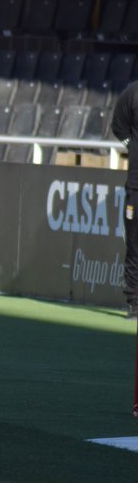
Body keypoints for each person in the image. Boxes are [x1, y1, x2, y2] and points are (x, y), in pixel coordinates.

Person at [110, 82, 138, 319]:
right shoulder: (133, 93)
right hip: (136, 186)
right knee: (135, 246)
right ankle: (134, 302)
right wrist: (134, 149)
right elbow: (118, 126)